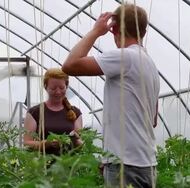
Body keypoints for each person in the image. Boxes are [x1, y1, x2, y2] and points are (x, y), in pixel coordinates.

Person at [62, 3, 159, 188]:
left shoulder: (125, 57)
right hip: (146, 163)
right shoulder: (150, 66)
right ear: (144, 32)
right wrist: (108, 156)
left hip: (126, 165)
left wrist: (96, 32)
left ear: (113, 29)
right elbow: (152, 120)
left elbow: (70, 65)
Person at [24, 68, 83, 155]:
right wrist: (45, 144)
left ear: (67, 86)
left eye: (62, 87)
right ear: (45, 87)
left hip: (70, 165)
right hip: (43, 164)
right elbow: (27, 142)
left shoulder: (75, 112)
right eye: (53, 88)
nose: (58, 92)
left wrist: (75, 140)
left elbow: (81, 144)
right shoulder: (35, 112)